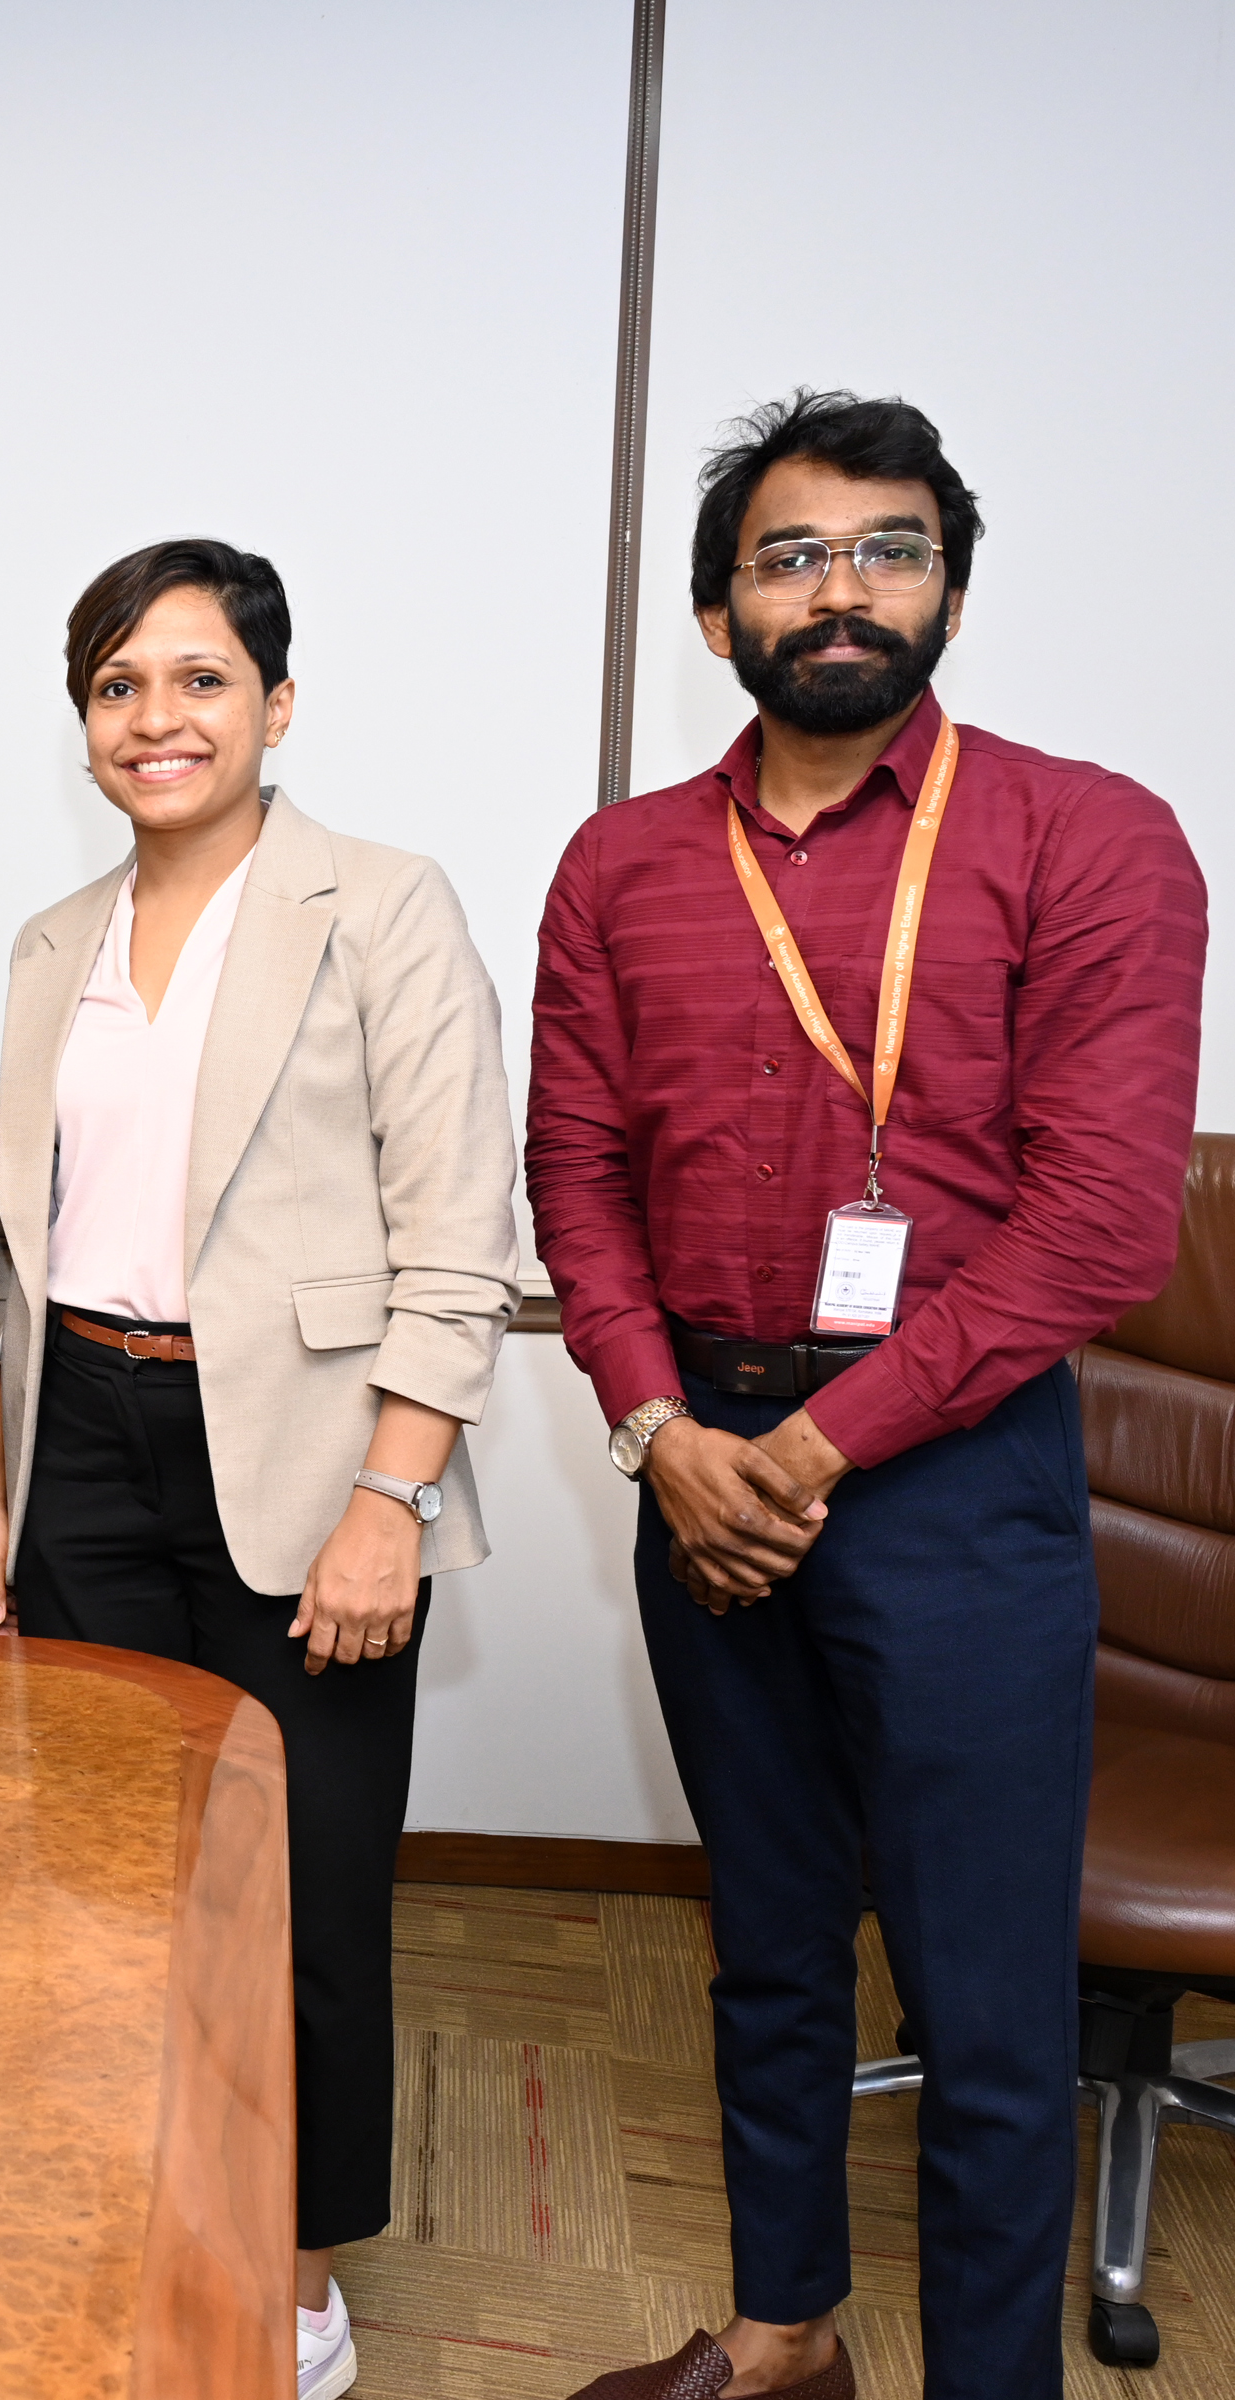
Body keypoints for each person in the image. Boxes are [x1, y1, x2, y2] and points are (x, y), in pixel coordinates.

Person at [530, 394, 1205, 2400]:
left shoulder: (1089, 838)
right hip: (700, 1466)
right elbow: (577, 1174)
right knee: (765, 1945)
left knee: (986, 2009)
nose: (840, 589)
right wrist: (662, 1437)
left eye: (888, 549)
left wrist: (806, 1452)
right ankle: (783, 2335)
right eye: (791, 555)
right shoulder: (623, 864)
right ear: (718, 615)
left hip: (952, 1485)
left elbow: (1101, 1230)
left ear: (953, 595)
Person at [0, 539, 519, 2399]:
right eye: (118, 686)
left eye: (199, 679)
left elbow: (461, 1241)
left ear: (276, 704)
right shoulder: (53, 943)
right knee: (112, 1880)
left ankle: (297, 2274)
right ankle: (158, 2206)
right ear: (83, 724)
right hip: (82, 1445)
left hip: (303, 1456)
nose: (157, 718)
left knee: (308, 1891)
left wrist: (392, 1500)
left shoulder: (382, 904)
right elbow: (24, 1253)